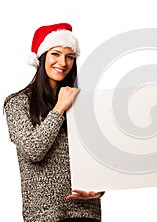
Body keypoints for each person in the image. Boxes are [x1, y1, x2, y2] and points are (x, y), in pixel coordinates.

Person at [4, 23, 104, 222]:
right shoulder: (17, 103)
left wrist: (98, 190)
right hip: (45, 214)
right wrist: (59, 109)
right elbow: (33, 150)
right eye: (55, 54)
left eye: (69, 56)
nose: (63, 62)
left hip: (85, 211)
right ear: (42, 58)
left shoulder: (82, 102)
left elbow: (97, 157)